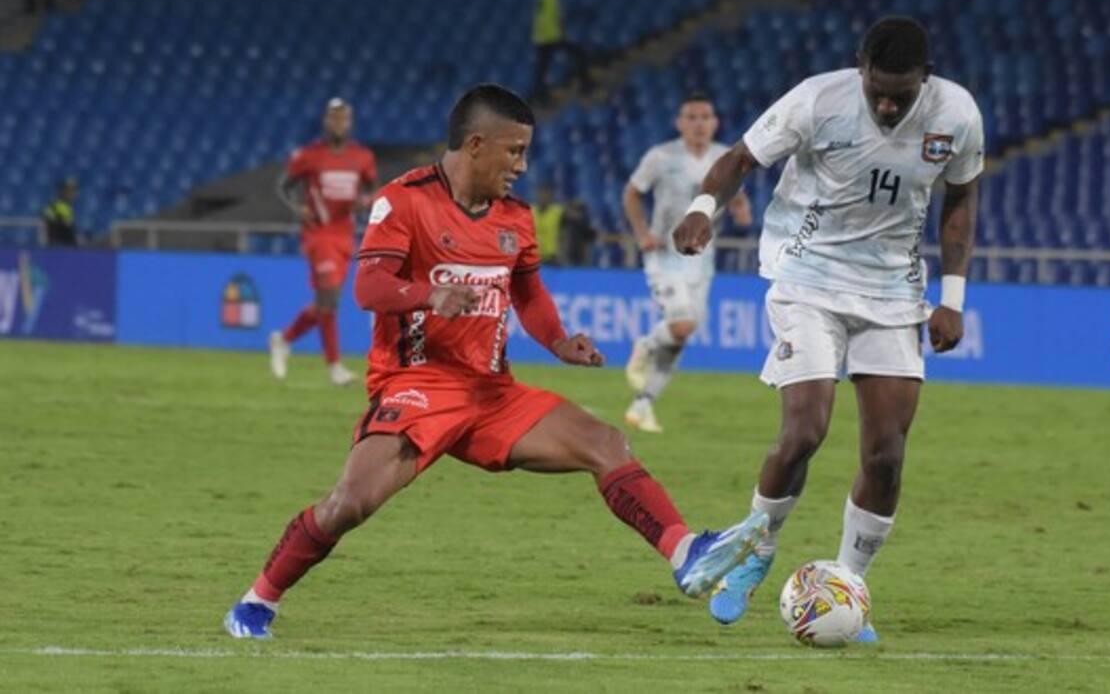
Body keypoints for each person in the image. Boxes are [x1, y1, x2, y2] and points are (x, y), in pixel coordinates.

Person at [224, 84, 768, 639]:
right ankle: (256, 601)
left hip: (491, 392)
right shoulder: (405, 200)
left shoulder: (515, 218)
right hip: (418, 386)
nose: (522, 166)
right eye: (514, 151)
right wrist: (429, 294)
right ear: (476, 144)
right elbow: (368, 286)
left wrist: (558, 342)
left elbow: (528, 294)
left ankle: (684, 552)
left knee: (606, 443)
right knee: (349, 504)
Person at [673, 17, 984, 640]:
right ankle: (757, 551)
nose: (888, 105)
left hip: (893, 290)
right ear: (860, 69)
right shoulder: (818, 100)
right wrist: (702, 209)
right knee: (805, 430)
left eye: (901, 94)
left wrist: (952, 297)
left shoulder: (957, 115)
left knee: (886, 454)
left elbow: (960, 199)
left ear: (925, 78)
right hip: (807, 275)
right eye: (878, 91)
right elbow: (739, 158)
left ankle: (847, 587)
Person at [622, 96, 752, 433]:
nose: (699, 123)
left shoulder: (724, 157)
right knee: (681, 326)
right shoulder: (661, 156)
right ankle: (646, 345)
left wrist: (740, 208)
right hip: (664, 255)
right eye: (691, 117)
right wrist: (642, 234)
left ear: (715, 123)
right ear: (680, 123)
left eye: (705, 117)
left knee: (682, 337)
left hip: (701, 259)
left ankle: (642, 405)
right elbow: (632, 192)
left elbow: (734, 193)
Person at [270, 98, 377, 387]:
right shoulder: (309, 156)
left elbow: (371, 188)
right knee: (329, 297)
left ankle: (284, 339)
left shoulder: (362, 157)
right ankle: (334, 367)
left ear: (350, 123)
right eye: (334, 118)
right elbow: (283, 186)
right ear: (325, 121)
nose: (339, 123)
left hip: (345, 234)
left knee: (327, 302)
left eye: (344, 118)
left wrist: (365, 200)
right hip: (319, 233)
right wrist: (298, 208)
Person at [531, 0, 589, 104]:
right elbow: (554, 19)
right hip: (550, 38)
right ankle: (585, 84)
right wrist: (562, 33)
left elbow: (545, 18)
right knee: (578, 54)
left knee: (542, 69)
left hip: (544, 38)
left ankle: (538, 95)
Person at [531, 184, 564, 267]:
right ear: (537, 195)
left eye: (546, 195)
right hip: (534, 256)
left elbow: (564, 235)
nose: (544, 197)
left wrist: (561, 254)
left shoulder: (559, 213)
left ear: (551, 196)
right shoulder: (529, 211)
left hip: (553, 258)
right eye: (541, 194)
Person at [559, 198, 597, 266]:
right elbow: (561, 240)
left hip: (581, 260)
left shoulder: (585, 225)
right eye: (572, 210)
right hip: (566, 260)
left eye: (577, 211)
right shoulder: (565, 224)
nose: (574, 213)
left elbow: (592, 236)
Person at [42, 177, 77, 246]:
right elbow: (48, 217)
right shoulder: (53, 207)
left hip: (70, 245)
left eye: (73, 191)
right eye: (68, 190)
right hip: (58, 246)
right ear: (61, 191)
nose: (71, 194)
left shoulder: (70, 208)